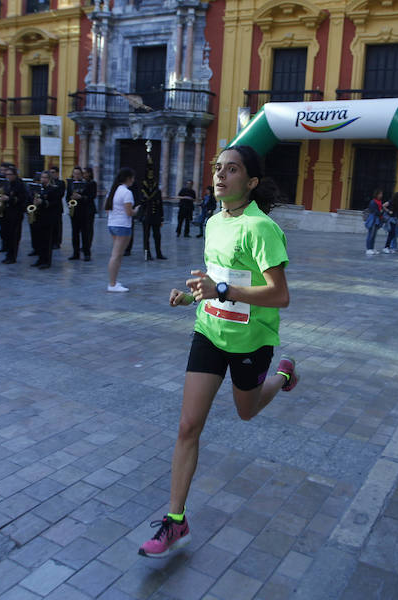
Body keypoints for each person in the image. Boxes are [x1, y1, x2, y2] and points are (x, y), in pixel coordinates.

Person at [138, 145, 297, 558]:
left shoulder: (261, 228)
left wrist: (222, 289)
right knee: (188, 426)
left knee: (246, 411)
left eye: (232, 169)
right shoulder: (212, 222)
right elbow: (216, 279)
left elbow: (279, 295)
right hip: (209, 331)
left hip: (251, 340)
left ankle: (282, 375)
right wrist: (192, 296)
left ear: (252, 181)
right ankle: (176, 520)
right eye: (217, 168)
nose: (220, 175)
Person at [105, 167, 139, 292]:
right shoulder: (126, 193)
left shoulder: (113, 191)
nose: (133, 180)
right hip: (122, 226)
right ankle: (112, 284)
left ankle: (114, 281)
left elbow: (107, 209)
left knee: (117, 255)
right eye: (132, 178)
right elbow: (129, 212)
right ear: (128, 178)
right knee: (116, 255)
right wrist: (136, 210)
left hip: (112, 224)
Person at [31, 170, 62, 269]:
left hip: (48, 217)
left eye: (45, 178)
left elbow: (55, 203)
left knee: (47, 240)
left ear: (49, 179)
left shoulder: (54, 189)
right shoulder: (39, 189)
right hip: (38, 216)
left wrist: (43, 202)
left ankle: (46, 261)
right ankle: (40, 259)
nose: (43, 179)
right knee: (39, 240)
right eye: (42, 177)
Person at [0, 166, 30, 264]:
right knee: (6, 234)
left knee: (14, 235)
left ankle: (12, 256)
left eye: (10, 174)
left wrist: (9, 199)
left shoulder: (20, 185)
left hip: (16, 212)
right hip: (6, 211)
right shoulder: (7, 184)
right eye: (6, 174)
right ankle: (8, 253)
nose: (7, 176)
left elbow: (23, 198)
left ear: (15, 175)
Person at [140, 155, 166, 261]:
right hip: (146, 216)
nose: (151, 183)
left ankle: (159, 253)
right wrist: (141, 215)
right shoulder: (143, 191)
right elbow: (141, 204)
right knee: (146, 237)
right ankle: (147, 254)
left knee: (157, 236)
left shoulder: (157, 191)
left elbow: (160, 204)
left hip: (156, 216)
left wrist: (161, 217)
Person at [66, 166, 91, 261]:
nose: (76, 175)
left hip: (84, 211)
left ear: (81, 175)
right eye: (75, 173)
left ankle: (87, 253)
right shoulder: (70, 184)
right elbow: (67, 197)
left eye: (78, 174)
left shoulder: (86, 184)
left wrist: (81, 197)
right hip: (74, 211)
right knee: (75, 233)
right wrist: (69, 201)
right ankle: (75, 253)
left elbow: (90, 197)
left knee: (85, 233)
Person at [364, 189, 384, 256]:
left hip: (377, 220)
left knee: (374, 235)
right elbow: (375, 211)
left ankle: (372, 248)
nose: (381, 195)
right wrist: (380, 212)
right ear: (377, 194)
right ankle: (368, 249)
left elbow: (381, 211)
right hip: (373, 220)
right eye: (380, 194)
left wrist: (381, 212)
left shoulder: (379, 202)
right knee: (371, 235)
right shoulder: (373, 202)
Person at [49, 166, 65, 249]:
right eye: (50, 172)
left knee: (57, 226)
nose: (51, 174)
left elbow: (60, 194)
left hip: (57, 207)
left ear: (57, 173)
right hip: (49, 208)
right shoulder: (48, 182)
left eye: (53, 172)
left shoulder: (61, 183)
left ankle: (57, 242)